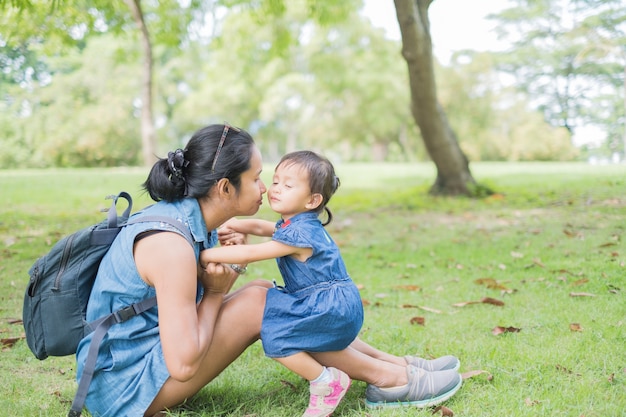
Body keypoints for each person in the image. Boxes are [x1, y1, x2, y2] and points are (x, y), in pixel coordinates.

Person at [74, 123, 462, 417]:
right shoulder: (170, 246)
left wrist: (224, 271)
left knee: (267, 293)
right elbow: (184, 362)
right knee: (262, 305)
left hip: (142, 356)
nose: (265, 189)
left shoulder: (192, 221)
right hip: (124, 389)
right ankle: (388, 380)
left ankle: (394, 365)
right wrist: (214, 294)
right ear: (225, 188)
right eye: (258, 178)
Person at [200, 150, 362, 417]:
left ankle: (325, 382)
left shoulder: (298, 233)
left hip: (330, 309)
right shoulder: (299, 223)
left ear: (313, 200)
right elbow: (265, 227)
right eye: (276, 181)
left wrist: (202, 254)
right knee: (272, 312)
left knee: (276, 335)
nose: (276, 189)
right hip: (337, 304)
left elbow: (250, 254)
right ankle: (325, 377)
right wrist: (238, 225)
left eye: (288, 185)